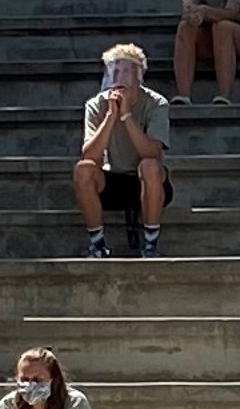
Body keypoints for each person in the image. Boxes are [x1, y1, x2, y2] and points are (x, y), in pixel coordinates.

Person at [74, 42, 176, 259]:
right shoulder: (95, 105)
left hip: (147, 180)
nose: (120, 78)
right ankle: (97, 243)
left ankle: (150, 243)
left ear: (139, 76)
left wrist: (127, 115)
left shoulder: (156, 103)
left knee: (149, 166)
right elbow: (90, 154)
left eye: (127, 71)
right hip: (112, 178)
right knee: (83, 170)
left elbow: (152, 152)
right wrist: (111, 116)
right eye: (115, 71)